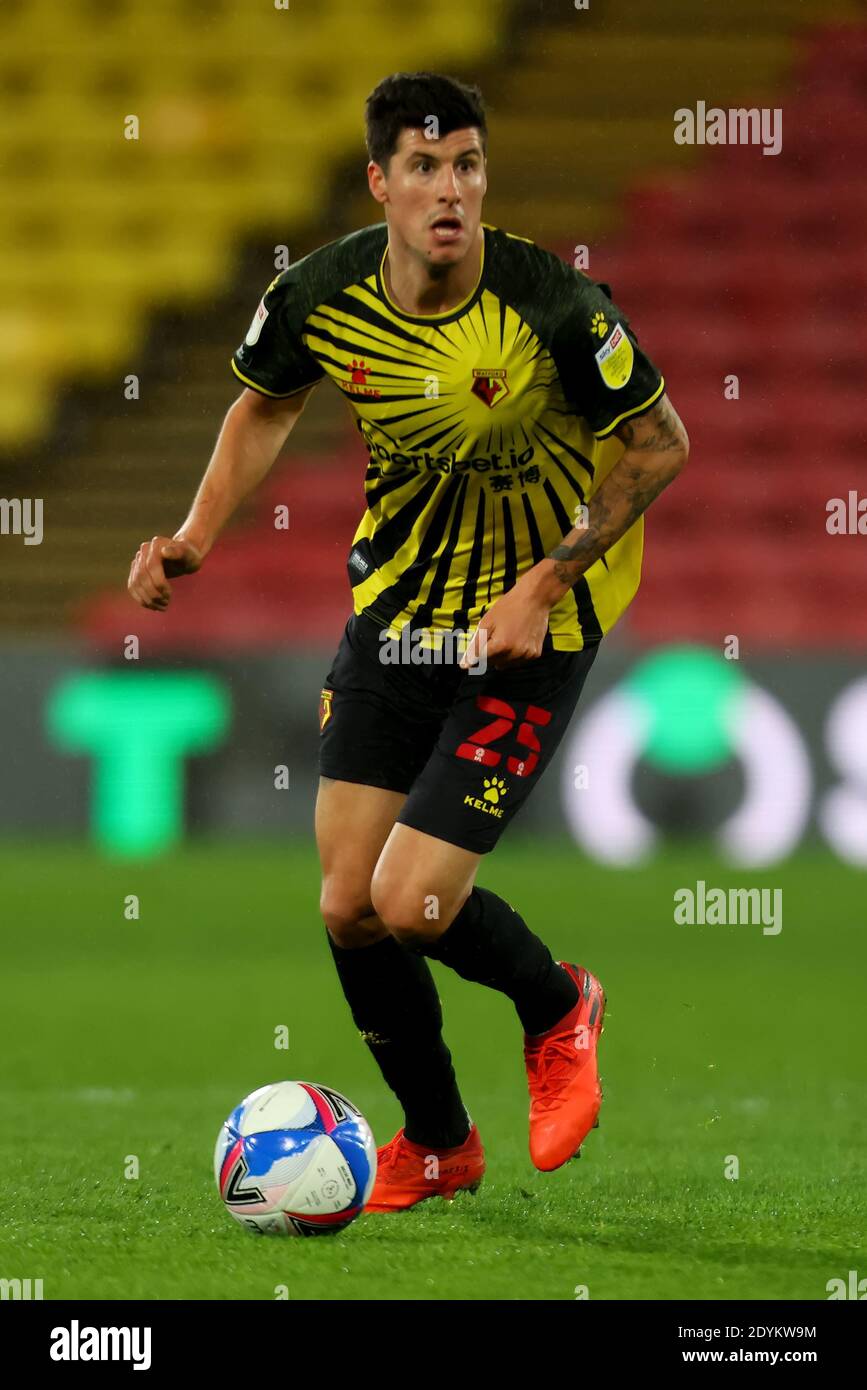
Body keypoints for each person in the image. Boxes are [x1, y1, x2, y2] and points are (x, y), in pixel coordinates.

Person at [128, 71, 688, 1213]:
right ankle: (438, 1143)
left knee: (417, 902)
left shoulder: (555, 307)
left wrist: (546, 578)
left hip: (531, 628)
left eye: (469, 166)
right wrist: (193, 534)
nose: (451, 191)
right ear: (380, 181)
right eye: (425, 169)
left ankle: (557, 1006)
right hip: (397, 617)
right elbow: (267, 403)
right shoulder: (322, 295)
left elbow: (661, 443)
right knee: (347, 903)